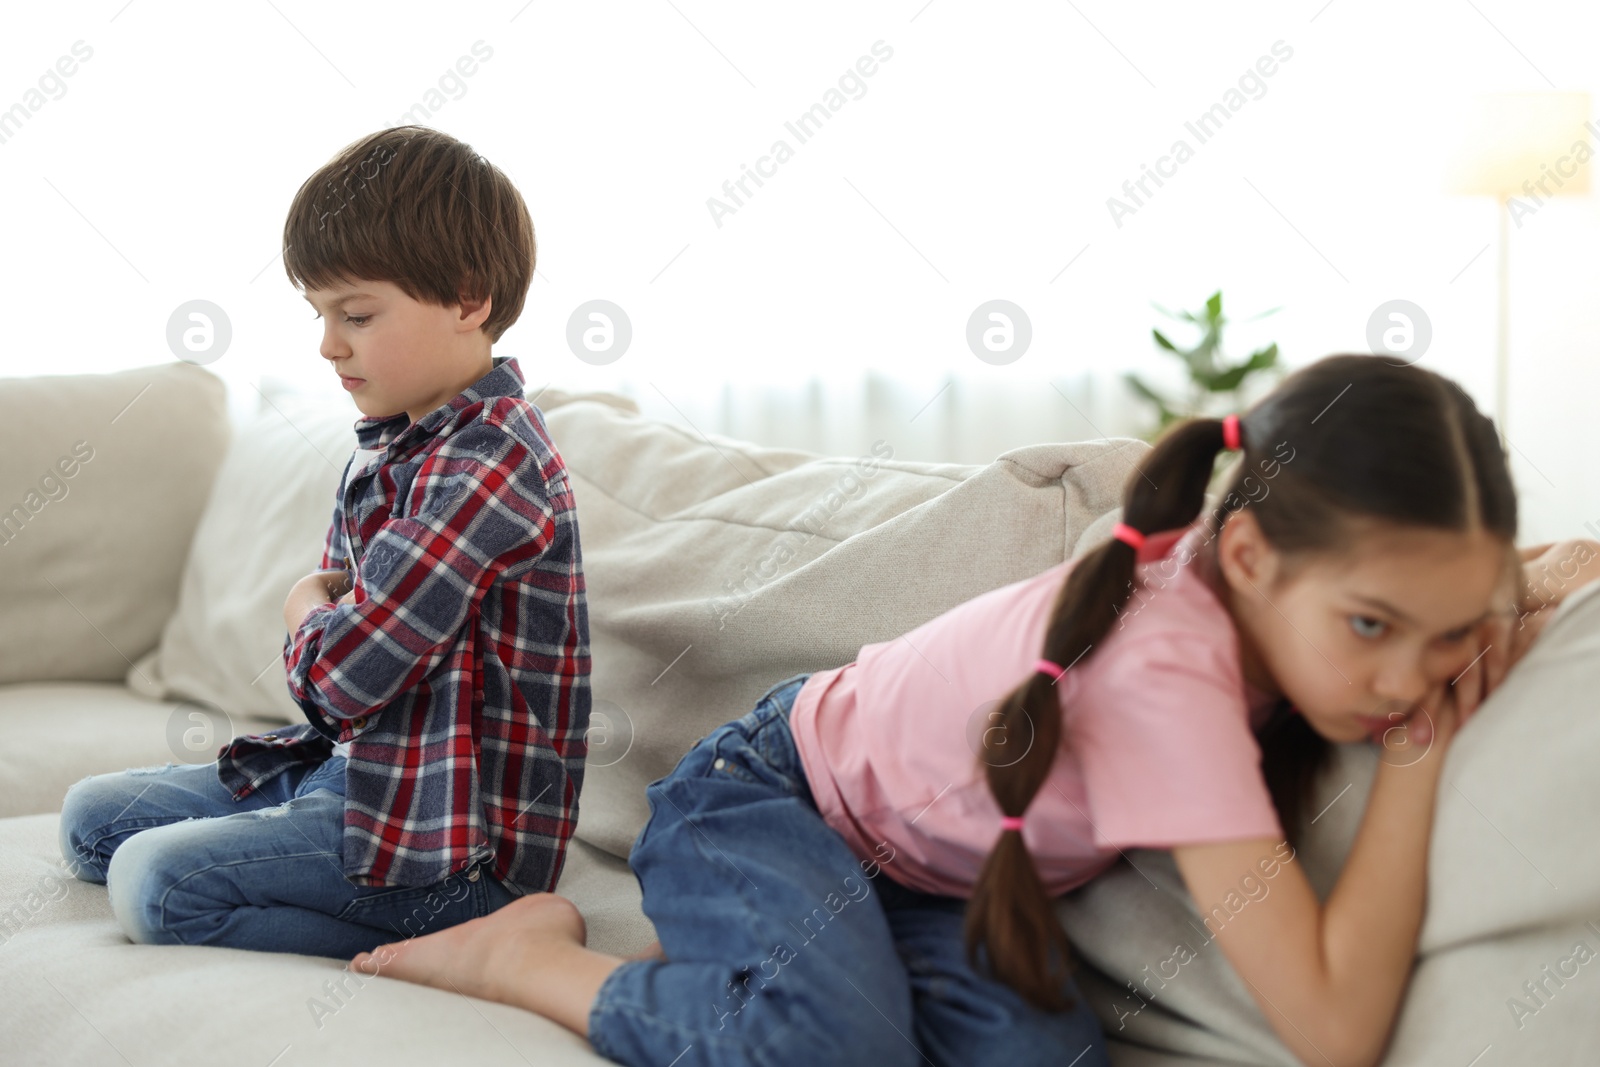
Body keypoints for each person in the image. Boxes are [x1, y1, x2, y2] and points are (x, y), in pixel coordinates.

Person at [345, 354, 1579, 1067]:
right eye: (1373, 630)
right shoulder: (1171, 681)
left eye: (1447, 630)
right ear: (1249, 556)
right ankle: (528, 961)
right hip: (765, 801)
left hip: (924, 875)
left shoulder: (1260, 572)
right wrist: (1418, 759)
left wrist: (1519, 584)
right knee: (828, 1048)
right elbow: (1332, 1023)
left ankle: (768, 951)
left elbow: (1407, 583)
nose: (1411, 677)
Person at [57, 126, 591, 959]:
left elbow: (342, 675)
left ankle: (470, 935)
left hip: (449, 842)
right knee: (93, 820)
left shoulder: (489, 465)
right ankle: (304, 843)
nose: (327, 343)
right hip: (363, 772)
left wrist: (304, 605)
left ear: (468, 298)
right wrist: (331, 617)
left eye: (357, 314)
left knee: (153, 883)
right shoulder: (399, 441)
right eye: (319, 313)